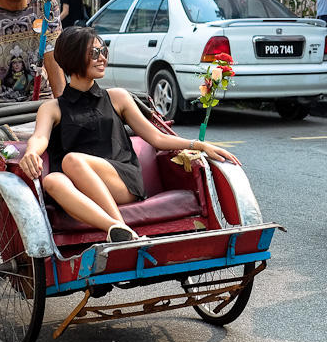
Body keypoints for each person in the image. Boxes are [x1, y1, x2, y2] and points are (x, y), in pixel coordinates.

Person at [18, 26, 240, 242]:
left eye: (103, 51)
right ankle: (118, 229)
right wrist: (31, 152)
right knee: (53, 181)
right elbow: (40, 137)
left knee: (72, 159)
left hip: (120, 180)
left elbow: (157, 138)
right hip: (77, 191)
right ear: (73, 57)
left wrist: (198, 145)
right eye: (93, 53)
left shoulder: (118, 97)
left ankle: (124, 234)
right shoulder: (52, 108)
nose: (102, 58)